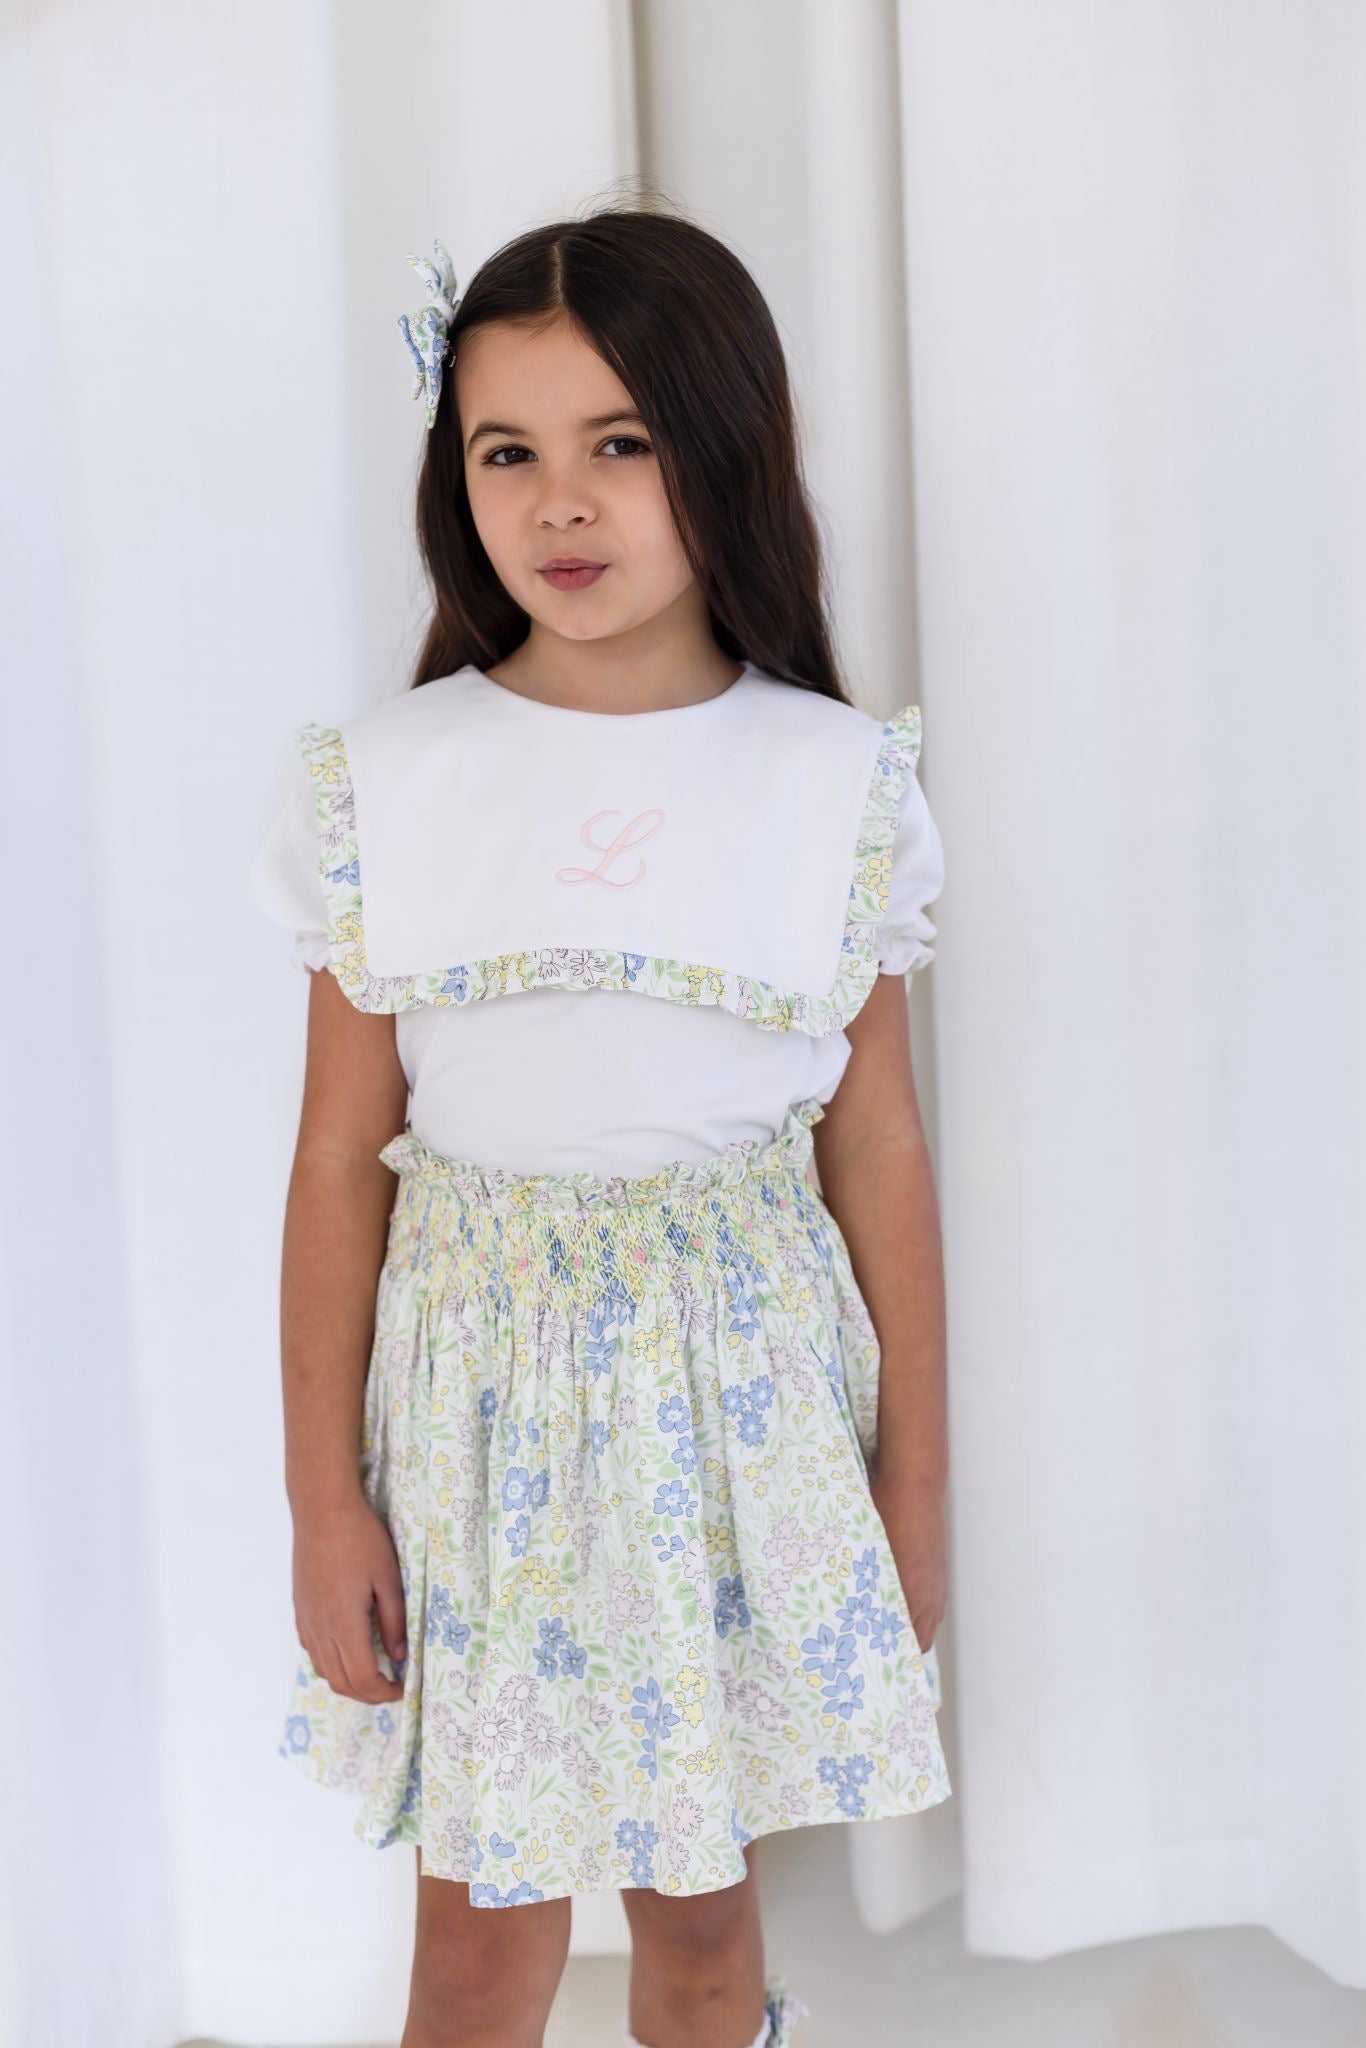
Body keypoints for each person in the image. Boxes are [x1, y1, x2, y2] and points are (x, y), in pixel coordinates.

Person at [248, 206, 953, 2048]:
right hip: (474, 1434)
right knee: (478, 1943)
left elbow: (876, 1149)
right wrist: (324, 1498)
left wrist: (915, 1487)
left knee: (700, 1925)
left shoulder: (831, 786)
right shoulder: (389, 787)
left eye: (619, 443)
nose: (560, 503)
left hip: (736, 1428)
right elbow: (333, 1163)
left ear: (722, 446)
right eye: (508, 452)